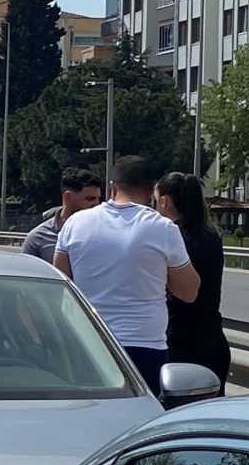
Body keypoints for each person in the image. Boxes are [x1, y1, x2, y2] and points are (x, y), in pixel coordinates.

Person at [53, 155, 200, 396]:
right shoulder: (162, 228)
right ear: (151, 191)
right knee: (142, 413)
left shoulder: (74, 224)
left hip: (85, 341)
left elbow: (60, 283)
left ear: (112, 187)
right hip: (144, 344)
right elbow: (189, 292)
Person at [155, 172, 230, 396]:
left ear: (164, 202)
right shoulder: (211, 235)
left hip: (181, 341)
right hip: (213, 338)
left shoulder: (173, 238)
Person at [22, 168, 103, 264]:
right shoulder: (38, 239)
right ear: (68, 197)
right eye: (90, 199)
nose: (96, 205)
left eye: (98, 199)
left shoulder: (102, 233)